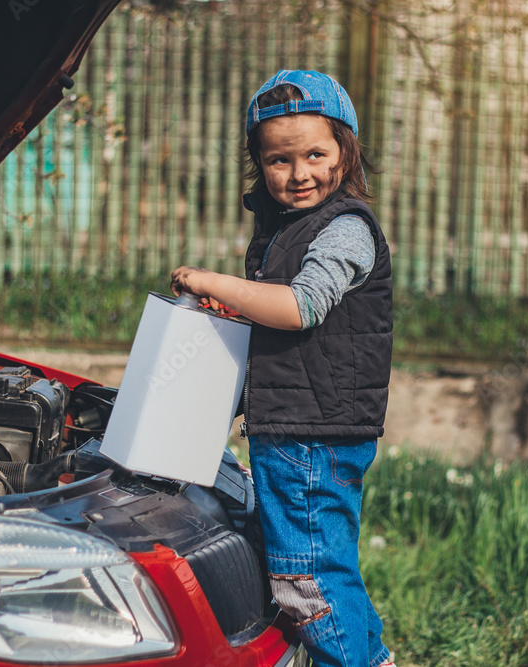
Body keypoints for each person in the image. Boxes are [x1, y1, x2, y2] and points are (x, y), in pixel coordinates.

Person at [170, 69, 395, 667]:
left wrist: (213, 281)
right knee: (319, 568)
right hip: (295, 429)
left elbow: (302, 306)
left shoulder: (345, 228)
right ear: (258, 165)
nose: (299, 174)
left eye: (316, 154)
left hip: (311, 438)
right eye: (279, 161)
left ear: (345, 154)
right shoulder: (288, 230)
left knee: (309, 582)